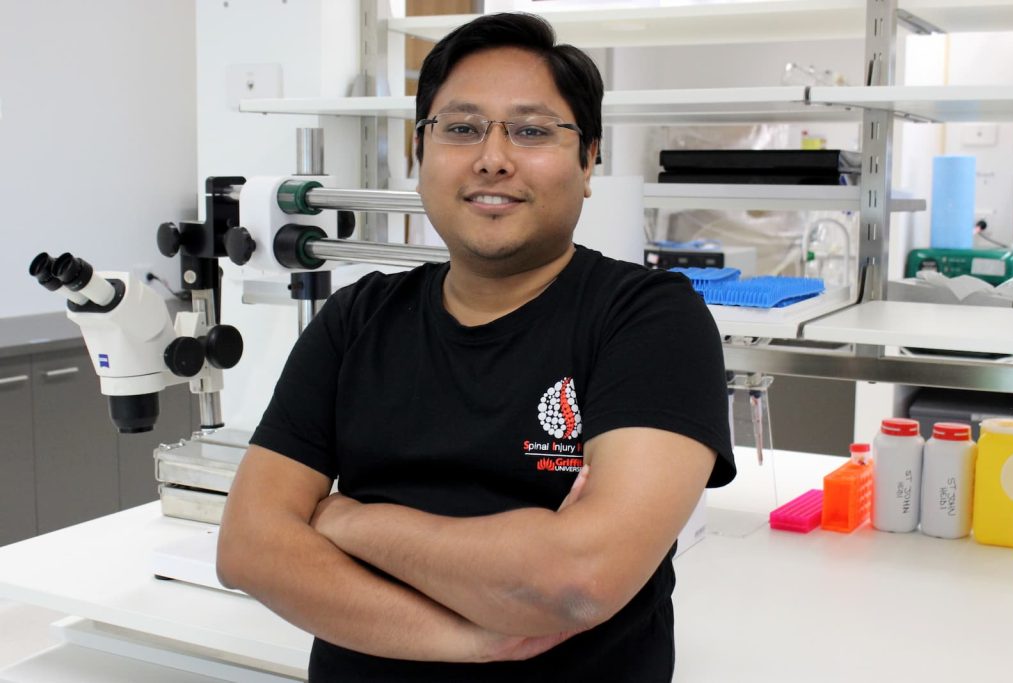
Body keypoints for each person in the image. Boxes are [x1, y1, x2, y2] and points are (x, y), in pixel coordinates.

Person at [217, 12, 736, 682]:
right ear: (420, 151)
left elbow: (579, 579)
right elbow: (249, 549)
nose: (493, 156)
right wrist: (474, 639)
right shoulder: (358, 319)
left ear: (588, 162)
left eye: (531, 130)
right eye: (461, 128)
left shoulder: (647, 319)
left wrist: (346, 521)